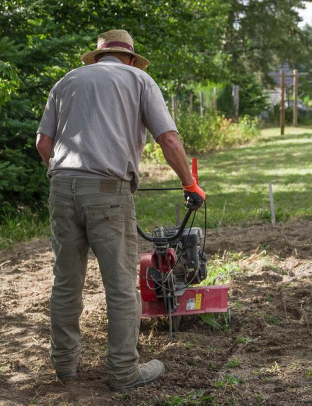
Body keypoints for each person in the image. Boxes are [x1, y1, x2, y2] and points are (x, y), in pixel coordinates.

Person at [35, 29, 205, 391]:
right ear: (129, 57)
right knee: (121, 287)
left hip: (61, 187)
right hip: (109, 191)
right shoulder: (138, 79)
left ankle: (64, 368)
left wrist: (63, 176)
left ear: (98, 57)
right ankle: (124, 372)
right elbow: (169, 139)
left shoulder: (66, 81)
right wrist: (190, 184)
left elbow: (43, 143)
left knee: (65, 283)